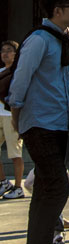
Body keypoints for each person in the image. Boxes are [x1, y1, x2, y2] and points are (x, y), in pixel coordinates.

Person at [7, 0, 69, 244]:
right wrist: (16, 115)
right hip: (39, 123)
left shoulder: (61, 38)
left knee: (44, 189)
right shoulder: (39, 39)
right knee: (56, 186)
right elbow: (21, 79)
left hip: (56, 123)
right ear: (57, 9)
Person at [0, 40, 24, 200]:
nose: (5, 53)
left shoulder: (19, 72)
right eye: (3, 51)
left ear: (16, 54)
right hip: (0, 115)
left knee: (15, 153)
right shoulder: (1, 71)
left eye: (9, 50)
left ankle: (18, 187)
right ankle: (3, 182)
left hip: (11, 116)